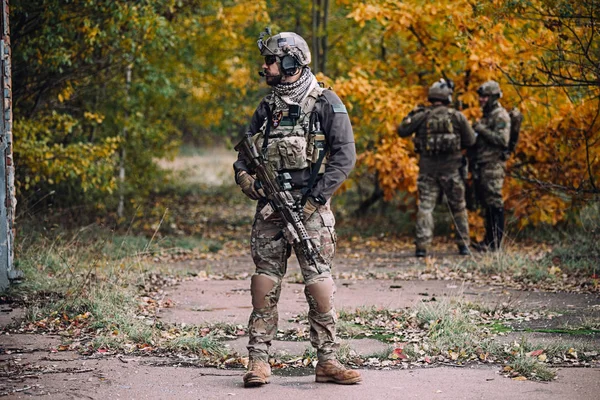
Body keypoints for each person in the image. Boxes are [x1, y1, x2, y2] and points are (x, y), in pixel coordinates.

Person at [233, 30, 361, 387]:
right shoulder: (267, 107)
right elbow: (243, 160)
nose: (265, 66)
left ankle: (328, 361)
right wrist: (251, 185)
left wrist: (314, 201)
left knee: (319, 285)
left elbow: (343, 158)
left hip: (312, 211)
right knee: (265, 283)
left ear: (290, 61)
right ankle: (258, 361)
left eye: (270, 60)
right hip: (271, 211)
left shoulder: (325, 102)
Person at [397, 79, 476, 257]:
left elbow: (402, 130)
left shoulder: (422, 116)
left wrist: (412, 113)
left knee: (426, 208)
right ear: (447, 97)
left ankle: (422, 248)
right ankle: (463, 246)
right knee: (458, 207)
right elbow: (471, 140)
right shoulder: (457, 116)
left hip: (428, 170)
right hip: (453, 170)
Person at [471, 80, 511, 251]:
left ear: (493, 97)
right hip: (483, 164)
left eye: (485, 97)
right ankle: (488, 241)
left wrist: (481, 130)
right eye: (480, 97)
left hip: (494, 164)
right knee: (487, 203)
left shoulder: (500, 115)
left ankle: (496, 244)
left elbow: (502, 140)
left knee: (495, 203)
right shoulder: (487, 115)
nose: (481, 99)